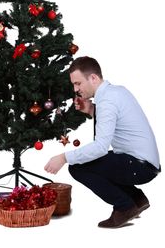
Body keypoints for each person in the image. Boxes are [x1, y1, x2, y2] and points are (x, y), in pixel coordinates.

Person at [44, 56, 161, 228]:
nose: (76, 89)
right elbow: (114, 123)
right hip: (144, 163)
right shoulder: (116, 92)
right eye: (74, 85)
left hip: (140, 166)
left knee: (77, 167)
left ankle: (125, 207)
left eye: (78, 83)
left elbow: (100, 147)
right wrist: (91, 109)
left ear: (93, 78)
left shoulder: (107, 100)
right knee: (95, 162)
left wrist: (63, 157)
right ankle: (137, 199)